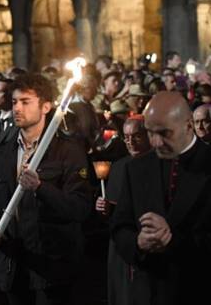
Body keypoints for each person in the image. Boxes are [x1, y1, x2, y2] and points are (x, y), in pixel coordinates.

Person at [110, 91, 211, 305]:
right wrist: (137, 242)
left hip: (204, 290)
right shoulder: (137, 168)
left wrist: (173, 241)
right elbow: (120, 226)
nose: (157, 142)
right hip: (147, 293)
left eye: (165, 133)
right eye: (150, 133)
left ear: (189, 125)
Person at [0, 73, 92, 305]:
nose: (17, 108)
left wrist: (41, 188)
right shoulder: (2, 154)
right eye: (15, 102)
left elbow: (80, 208)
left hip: (51, 270)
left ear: (46, 106)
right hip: (12, 268)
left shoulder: (68, 152)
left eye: (25, 102)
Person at [94, 116, 151, 305]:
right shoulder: (118, 167)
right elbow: (111, 206)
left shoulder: (158, 165)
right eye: (126, 137)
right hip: (118, 244)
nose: (131, 142)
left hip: (143, 244)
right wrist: (103, 208)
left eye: (137, 136)